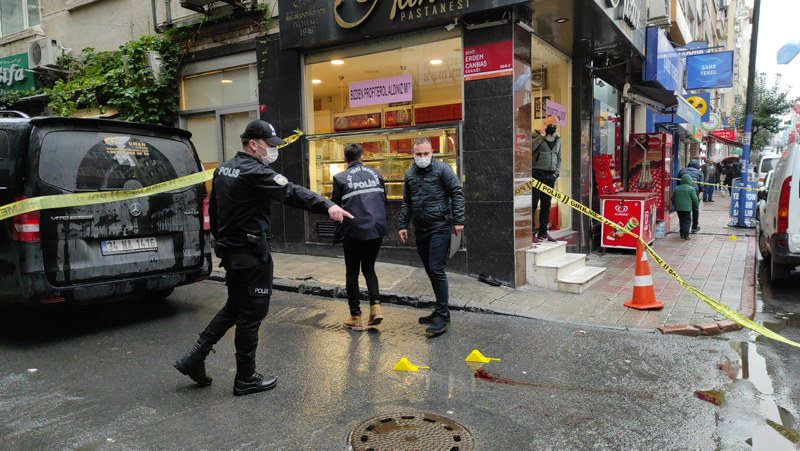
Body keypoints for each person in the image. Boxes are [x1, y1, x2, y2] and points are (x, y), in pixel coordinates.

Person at [174, 120, 353, 396]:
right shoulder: (255, 171)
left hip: (232, 253)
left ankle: (194, 357)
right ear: (254, 145)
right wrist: (327, 205)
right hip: (251, 255)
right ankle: (245, 377)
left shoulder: (223, 169)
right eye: (270, 145)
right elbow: (291, 192)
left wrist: (221, 244)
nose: (273, 150)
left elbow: (215, 211)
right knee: (251, 315)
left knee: (234, 308)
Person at [398, 137, 465, 335]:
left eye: (426, 154)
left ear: (432, 152)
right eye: (418, 154)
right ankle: (440, 309)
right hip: (421, 229)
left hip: (439, 227)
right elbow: (407, 202)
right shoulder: (410, 174)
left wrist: (458, 220)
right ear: (413, 154)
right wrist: (403, 225)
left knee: (436, 269)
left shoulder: (443, 169)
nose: (422, 157)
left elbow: (457, 193)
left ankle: (442, 316)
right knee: (430, 270)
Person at [331, 143, 391, 331]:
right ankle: (375, 307)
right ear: (362, 157)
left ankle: (355, 317)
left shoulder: (340, 178)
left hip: (354, 230)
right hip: (377, 228)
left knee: (352, 272)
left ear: (344, 159)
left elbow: (334, 207)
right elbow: (384, 200)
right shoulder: (377, 174)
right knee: (369, 268)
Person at [530, 114, 562, 243]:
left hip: (550, 175)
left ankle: (543, 233)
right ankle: (531, 232)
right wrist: (541, 135)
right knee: (533, 204)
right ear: (544, 123)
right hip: (536, 173)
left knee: (546, 204)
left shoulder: (558, 139)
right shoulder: (535, 135)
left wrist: (556, 172)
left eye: (555, 126)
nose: (552, 128)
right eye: (550, 125)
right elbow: (530, 149)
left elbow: (559, 157)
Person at [677, 159, 703, 233]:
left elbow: (678, 182)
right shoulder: (700, 173)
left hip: (683, 192)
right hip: (694, 192)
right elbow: (701, 185)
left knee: (683, 209)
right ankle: (694, 227)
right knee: (695, 209)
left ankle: (683, 228)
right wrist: (699, 192)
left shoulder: (682, 171)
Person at [672, 174, 699, 240]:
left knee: (681, 220)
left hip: (678, 208)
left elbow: (672, 198)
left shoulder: (677, 188)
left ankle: (682, 233)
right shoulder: (691, 189)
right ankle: (686, 234)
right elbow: (695, 199)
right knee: (687, 220)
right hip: (687, 208)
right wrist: (696, 206)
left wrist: (675, 204)